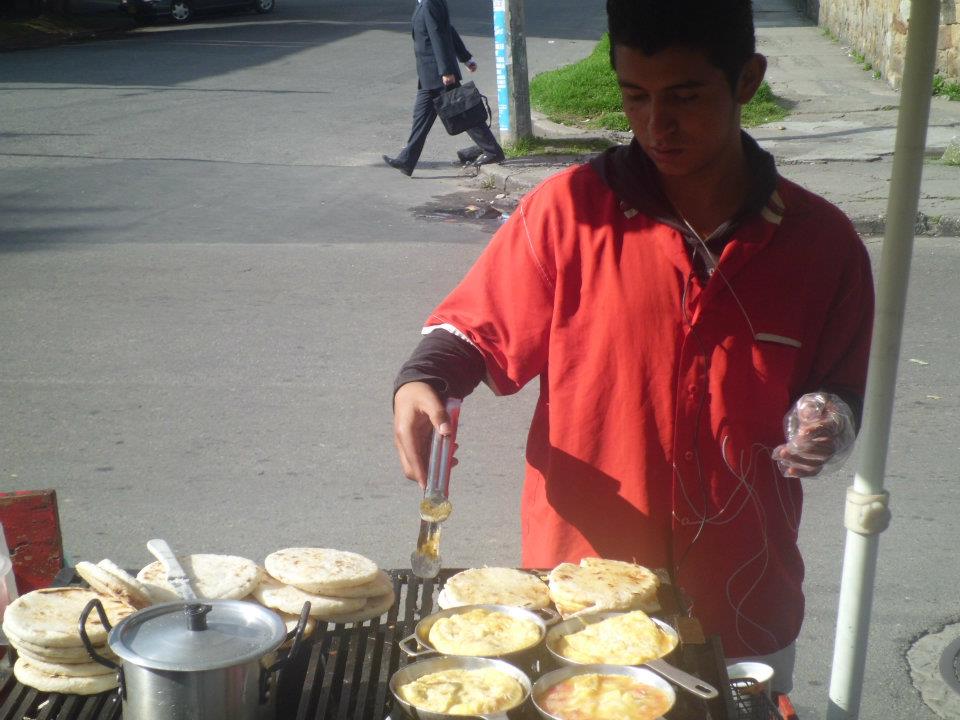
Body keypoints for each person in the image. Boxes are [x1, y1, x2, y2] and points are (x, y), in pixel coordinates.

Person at [392, 0, 874, 693]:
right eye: (635, 96)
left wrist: (828, 419)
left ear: (747, 80)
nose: (656, 125)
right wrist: (423, 382)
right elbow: (473, 329)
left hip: (743, 601)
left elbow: (839, 390)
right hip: (586, 602)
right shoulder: (569, 212)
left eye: (684, 97)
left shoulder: (823, 245)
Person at [383, 0, 505, 177]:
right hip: (428, 75)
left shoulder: (430, 3)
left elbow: (439, 35)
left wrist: (446, 70)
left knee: (464, 112)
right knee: (421, 117)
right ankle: (407, 159)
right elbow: (447, 30)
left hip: (438, 74)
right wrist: (466, 57)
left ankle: (492, 151)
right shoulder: (426, 3)